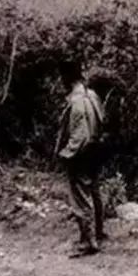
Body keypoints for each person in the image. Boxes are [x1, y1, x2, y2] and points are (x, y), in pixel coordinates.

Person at [55, 57, 105, 255]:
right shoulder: (92, 95)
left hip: (81, 154)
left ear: (67, 78)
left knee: (80, 197)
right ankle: (99, 233)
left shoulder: (76, 102)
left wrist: (67, 153)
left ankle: (88, 241)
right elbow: (102, 121)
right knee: (94, 192)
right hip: (96, 149)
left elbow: (79, 135)